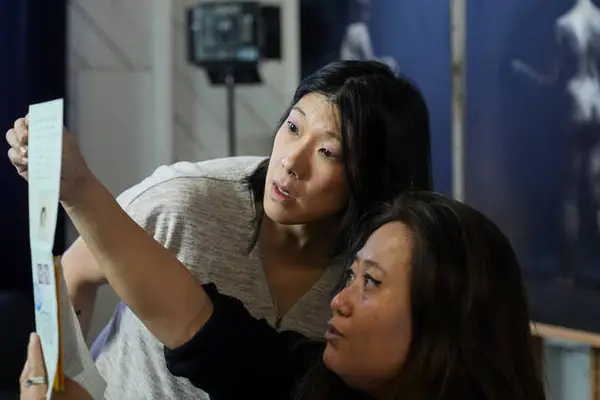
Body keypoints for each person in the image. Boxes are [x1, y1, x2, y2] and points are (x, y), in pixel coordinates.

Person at [7, 60, 432, 399]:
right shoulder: (185, 199)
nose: (290, 161)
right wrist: (60, 381)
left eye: (327, 152)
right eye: (292, 127)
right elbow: (77, 275)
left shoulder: (380, 261)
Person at [13, 159, 546, 398]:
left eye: (371, 283)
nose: (339, 300)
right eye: (350, 275)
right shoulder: (312, 380)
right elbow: (197, 325)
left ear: (446, 312)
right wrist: (78, 189)